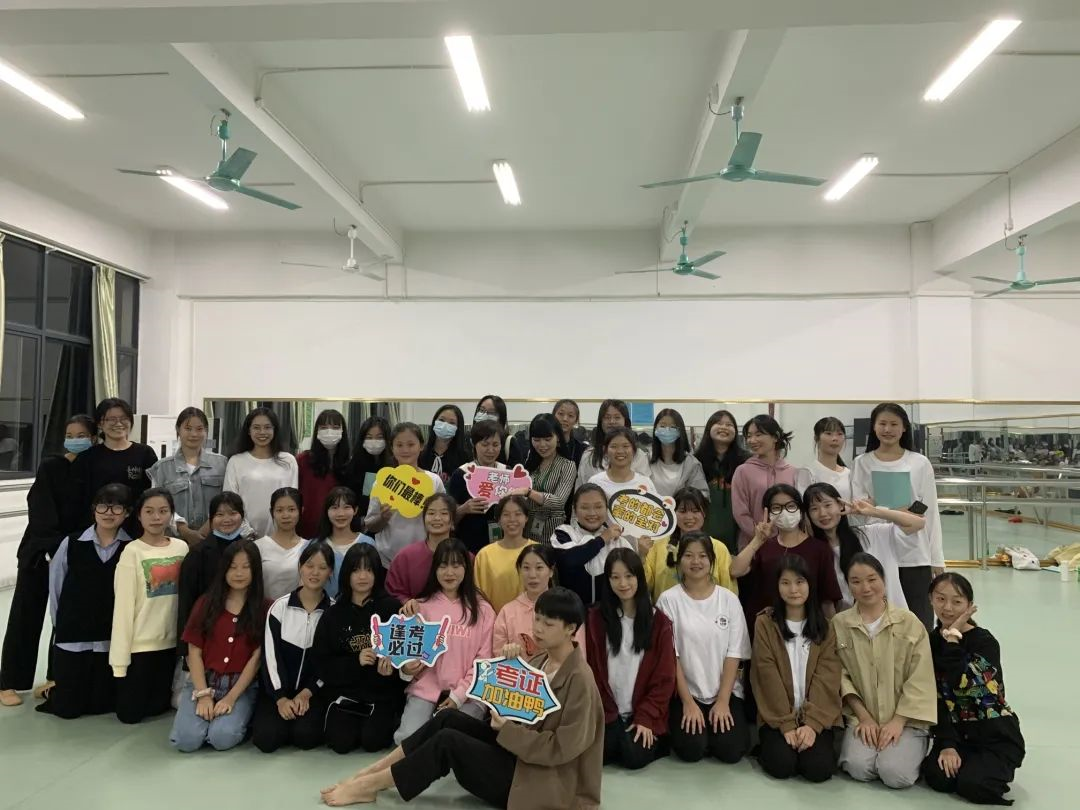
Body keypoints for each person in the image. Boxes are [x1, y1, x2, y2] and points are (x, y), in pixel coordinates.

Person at [320, 587, 603, 809]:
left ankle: (370, 786)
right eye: (537, 619)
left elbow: (561, 749)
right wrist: (510, 670)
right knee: (447, 718)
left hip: (542, 781)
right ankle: (373, 772)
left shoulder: (580, 679)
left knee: (448, 742)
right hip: (520, 757)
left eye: (548, 623)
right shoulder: (542, 659)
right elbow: (521, 712)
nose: (538, 628)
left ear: (571, 628)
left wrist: (507, 728)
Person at [1, 414, 96, 708]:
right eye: (70, 434)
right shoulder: (51, 467)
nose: (75, 439)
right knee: (26, 614)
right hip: (40, 552)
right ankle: (9, 682)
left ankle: (56, 677)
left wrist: (74, 548)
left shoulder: (95, 470)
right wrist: (54, 546)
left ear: (94, 438)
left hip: (76, 553)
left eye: (81, 435)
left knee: (65, 618)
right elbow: (40, 508)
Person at [834, 552, 936, 789]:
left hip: (906, 718)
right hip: (862, 715)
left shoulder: (909, 622)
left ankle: (916, 744)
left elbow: (920, 677)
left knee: (895, 774)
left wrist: (898, 721)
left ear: (883, 580)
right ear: (848, 585)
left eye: (872, 579)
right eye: (856, 581)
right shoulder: (839, 624)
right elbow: (840, 676)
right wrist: (864, 717)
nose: (865, 588)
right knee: (858, 768)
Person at [922, 573, 1025, 805]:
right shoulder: (930, 641)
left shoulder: (985, 642)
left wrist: (953, 637)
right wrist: (947, 744)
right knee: (939, 778)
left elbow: (963, 683)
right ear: (931, 599)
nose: (947, 608)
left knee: (975, 786)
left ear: (969, 605)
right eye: (940, 599)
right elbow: (933, 697)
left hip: (992, 733)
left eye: (957, 601)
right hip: (957, 733)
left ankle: (990, 766)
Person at [36, 484, 133, 718]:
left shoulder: (131, 547)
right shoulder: (71, 543)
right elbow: (56, 585)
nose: (108, 513)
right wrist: (60, 623)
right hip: (73, 633)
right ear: (94, 509)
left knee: (101, 705)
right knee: (67, 710)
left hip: (108, 636)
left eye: (117, 507)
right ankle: (53, 691)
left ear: (127, 513)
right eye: (103, 506)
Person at [657, 532, 752, 764]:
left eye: (702, 556)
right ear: (679, 560)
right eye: (688, 555)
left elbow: (734, 654)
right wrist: (688, 703)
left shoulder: (728, 600)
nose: (696, 561)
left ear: (712, 560)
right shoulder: (668, 600)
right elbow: (671, 657)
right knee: (691, 750)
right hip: (685, 692)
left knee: (731, 751)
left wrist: (723, 701)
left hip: (725, 691)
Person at [850, 403, 944, 628]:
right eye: (882, 423)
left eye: (894, 424)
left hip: (914, 551)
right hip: (876, 550)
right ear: (874, 427)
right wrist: (894, 511)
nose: (887, 429)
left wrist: (936, 558)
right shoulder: (862, 463)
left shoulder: (919, 463)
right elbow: (858, 512)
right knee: (877, 621)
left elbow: (930, 512)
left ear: (904, 428)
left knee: (917, 620)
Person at [749, 555, 842, 782]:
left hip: (815, 715)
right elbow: (766, 674)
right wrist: (787, 723)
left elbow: (827, 678)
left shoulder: (826, 627)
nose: (793, 590)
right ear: (777, 586)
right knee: (781, 765)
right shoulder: (765, 623)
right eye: (785, 582)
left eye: (800, 582)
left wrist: (811, 725)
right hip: (778, 715)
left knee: (818, 770)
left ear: (810, 584)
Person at [393, 539, 494, 744]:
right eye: (443, 565)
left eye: (456, 565)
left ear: (466, 568)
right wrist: (406, 668)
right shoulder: (419, 607)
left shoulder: (484, 611)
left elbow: (484, 663)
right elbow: (405, 657)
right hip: (426, 691)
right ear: (434, 569)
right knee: (407, 740)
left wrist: (458, 696)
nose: (449, 573)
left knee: (452, 740)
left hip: (469, 695)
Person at [171, 541, 268, 752]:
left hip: (240, 687)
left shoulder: (264, 607)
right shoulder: (206, 603)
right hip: (204, 680)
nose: (239, 573)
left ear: (255, 570)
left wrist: (231, 698)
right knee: (186, 741)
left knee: (222, 738)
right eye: (232, 567)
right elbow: (193, 651)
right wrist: (203, 694)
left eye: (246, 567)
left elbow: (256, 659)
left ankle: (240, 719)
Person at [586, 548, 675, 770]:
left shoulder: (659, 622)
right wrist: (605, 713)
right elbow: (590, 671)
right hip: (607, 711)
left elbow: (664, 679)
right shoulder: (596, 619)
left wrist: (646, 717)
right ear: (608, 581)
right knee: (601, 754)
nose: (623, 583)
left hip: (642, 710)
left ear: (639, 577)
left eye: (628, 576)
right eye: (615, 577)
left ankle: (653, 737)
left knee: (634, 757)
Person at [312, 544, 405, 754]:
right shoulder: (333, 614)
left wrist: (393, 669)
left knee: (373, 741)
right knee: (340, 743)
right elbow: (322, 663)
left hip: (382, 695)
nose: (363, 576)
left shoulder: (392, 609)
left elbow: (406, 659)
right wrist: (355, 661)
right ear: (346, 574)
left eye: (369, 570)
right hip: (346, 694)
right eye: (356, 570)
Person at [110, 487, 189, 724]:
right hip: (141, 647)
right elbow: (123, 611)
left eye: (163, 511)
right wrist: (120, 664)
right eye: (149, 511)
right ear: (139, 515)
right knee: (129, 715)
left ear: (171, 514)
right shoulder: (132, 552)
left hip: (171, 646)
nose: (156, 517)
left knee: (159, 708)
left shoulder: (181, 548)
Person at [252, 541, 334, 753]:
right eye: (309, 565)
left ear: (330, 572)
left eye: (322, 567)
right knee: (266, 739)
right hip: (276, 691)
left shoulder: (333, 612)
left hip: (313, 692)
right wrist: (280, 698)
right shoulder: (279, 607)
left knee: (305, 737)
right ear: (300, 567)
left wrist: (308, 692)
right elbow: (270, 657)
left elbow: (330, 662)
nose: (314, 572)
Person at [730, 484, 842, 623]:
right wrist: (757, 540)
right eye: (777, 508)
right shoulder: (764, 547)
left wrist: (832, 631)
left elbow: (827, 601)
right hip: (769, 626)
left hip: (809, 627)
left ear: (800, 510)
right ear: (768, 514)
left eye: (790, 506)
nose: (784, 512)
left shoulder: (820, 549)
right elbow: (735, 571)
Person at [804, 483, 922, 611]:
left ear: (841, 505)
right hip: (849, 622)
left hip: (892, 617)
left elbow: (917, 523)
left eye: (827, 505)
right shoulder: (814, 552)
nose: (822, 513)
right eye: (814, 509)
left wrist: (873, 511)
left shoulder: (871, 534)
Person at [176, 491, 254, 661]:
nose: (227, 519)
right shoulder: (198, 554)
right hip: (207, 632)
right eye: (220, 514)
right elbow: (186, 601)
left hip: (243, 631)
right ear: (211, 519)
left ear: (242, 516)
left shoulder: (250, 550)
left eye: (233, 513)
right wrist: (185, 650)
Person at [66, 397, 158, 538]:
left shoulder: (145, 454)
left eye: (124, 418)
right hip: (96, 532)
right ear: (100, 423)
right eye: (111, 419)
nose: (118, 423)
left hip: (135, 532)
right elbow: (77, 500)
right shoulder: (87, 458)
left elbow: (153, 495)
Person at [363, 422, 445, 566]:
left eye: (411, 444)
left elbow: (445, 518)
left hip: (427, 558)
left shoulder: (434, 481)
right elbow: (370, 525)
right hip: (388, 561)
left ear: (421, 446)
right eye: (399, 445)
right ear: (392, 448)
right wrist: (383, 518)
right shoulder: (382, 482)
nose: (405, 450)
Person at [148, 406, 228, 545]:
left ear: (206, 431)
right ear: (178, 430)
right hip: (174, 541)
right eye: (188, 428)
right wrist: (184, 530)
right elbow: (157, 505)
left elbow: (227, 500)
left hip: (215, 538)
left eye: (199, 429)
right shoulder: (161, 467)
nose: (194, 434)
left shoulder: (222, 463)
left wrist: (206, 528)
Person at [643, 487, 736, 603]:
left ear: (704, 513)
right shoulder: (658, 546)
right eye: (682, 511)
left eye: (695, 511)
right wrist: (641, 555)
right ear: (673, 513)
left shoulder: (719, 548)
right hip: (667, 612)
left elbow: (729, 592)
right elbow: (644, 586)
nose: (689, 517)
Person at [493, 544, 584, 657]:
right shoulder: (507, 612)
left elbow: (579, 655)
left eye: (539, 568)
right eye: (526, 568)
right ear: (519, 570)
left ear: (551, 571)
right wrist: (507, 654)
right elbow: (497, 657)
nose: (532, 575)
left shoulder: (567, 607)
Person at [550, 483, 631, 607]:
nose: (592, 513)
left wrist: (642, 554)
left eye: (598, 507)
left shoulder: (619, 540)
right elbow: (568, 560)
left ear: (607, 509)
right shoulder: (563, 532)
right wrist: (602, 539)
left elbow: (631, 576)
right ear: (574, 510)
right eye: (585, 507)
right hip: (570, 611)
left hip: (610, 612)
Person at [223, 406, 299, 537]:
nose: (262, 432)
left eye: (267, 427)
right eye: (256, 427)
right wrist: (248, 534)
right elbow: (230, 503)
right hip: (244, 537)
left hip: (281, 535)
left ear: (274, 430)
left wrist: (281, 533)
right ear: (249, 430)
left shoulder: (288, 460)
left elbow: (293, 501)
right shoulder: (236, 461)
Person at [589, 427, 661, 556]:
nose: (620, 451)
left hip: (638, 553)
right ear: (605, 450)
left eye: (626, 446)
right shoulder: (595, 482)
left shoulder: (645, 483)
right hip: (602, 551)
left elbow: (655, 519)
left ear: (634, 450)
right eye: (614, 446)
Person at [731, 414, 796, 550]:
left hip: (788, 544)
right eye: (749, 436)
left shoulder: (792, 471)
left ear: (775, 437)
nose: (752, 440)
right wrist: (760, 535)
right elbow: (740, 512)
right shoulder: (743, 471)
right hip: (753, 545)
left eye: (758, 434)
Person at [386, 494, 459, 602]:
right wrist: (407, 603)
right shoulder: (405, 556)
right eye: (431, 513)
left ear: (452, 522)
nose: (437, 518)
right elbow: (393, 592)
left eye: (444, 513)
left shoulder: (465, 557)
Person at [446, 420, 504, 554]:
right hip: (469, 546)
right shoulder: (462, 474)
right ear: (474, 444)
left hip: (502, 545)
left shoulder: (507, 473)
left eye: (495, 444)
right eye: (485, 444)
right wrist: (463, 509)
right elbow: (449, 519)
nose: (491, 450)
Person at [695, 409, 749, 553]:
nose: (724, 427)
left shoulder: (746, 461)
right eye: (719, 423)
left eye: (729, 425)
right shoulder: (696, 461)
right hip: (704, 530)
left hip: (737, 532)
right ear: (709, 428)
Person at [518, 413, 576, 543]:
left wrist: (529, 492)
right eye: (536, 440)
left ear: (558, 437)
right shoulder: (530, 462)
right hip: (525, 530)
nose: (542, 445)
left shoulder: (567, 465)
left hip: (552, 534)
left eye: (548, 439)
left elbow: (559, 502)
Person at [474, 495, 538, 613]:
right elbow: (478, 597)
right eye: (506, 514)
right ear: (498, 520)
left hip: (532, 620)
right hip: (494, 620)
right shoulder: (484, 555)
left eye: (518, 514)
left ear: (526, 518)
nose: (512, 519)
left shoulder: (538, 551)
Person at [313, 486, 375, 597]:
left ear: (355, 510)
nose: (341, 513)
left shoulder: (368, 543)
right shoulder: (315, 545)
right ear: (327, 511)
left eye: (346, 507)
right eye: (334, 508)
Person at [297, 409, 350, 539]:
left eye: (335, 427)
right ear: (317, 431)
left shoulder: (349, 464)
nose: (329, 432)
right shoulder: (303, 460)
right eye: (324, 427)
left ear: (343, 432)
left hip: (339, 531)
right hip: (307, 530)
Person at [577, 399, 651, 486]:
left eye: (617, 417)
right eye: (607, 417)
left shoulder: (639, 455)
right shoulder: (589, 455)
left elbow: (644, 487)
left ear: (625, 421)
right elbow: (581, 488)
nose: (612, 422)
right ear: (601, 422)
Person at [342, 415, 392, 530]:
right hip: (359, 525)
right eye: (369, 437)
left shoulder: (394, 466)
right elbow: (348, 498)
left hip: (388, 524)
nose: (374, 441)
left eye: (379, 437)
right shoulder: (353, 466)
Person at [255, 487, 306, 600]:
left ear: (301, 511)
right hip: (264, 608)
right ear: (272, 512)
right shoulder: (258, 547)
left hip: (297, 608)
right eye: (279, 510)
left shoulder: (308, 547)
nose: (285, 515)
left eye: (291, 509)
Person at [648, 409, 708, 498]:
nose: (667, 430)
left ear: (680, 431)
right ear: (655, 429)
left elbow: (702, 495)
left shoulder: (691, 463)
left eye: (673, 427)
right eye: (662, 426)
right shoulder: (646, 459)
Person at [795, 416, 851, 502]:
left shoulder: (849, 473)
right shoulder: (808, 472)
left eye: (839, 434)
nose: (835, 438)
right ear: (816, 438)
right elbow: (805, 504)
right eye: (828, 433)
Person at [419, 404, 471, 484]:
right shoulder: (420, 453)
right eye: (441, 420)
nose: (445, 425)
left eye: (452, 423)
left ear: (458, 428)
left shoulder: (464, 457)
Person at [473, 393, 523, 466]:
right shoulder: (468, 439)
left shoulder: (509, 442)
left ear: (501, 417)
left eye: (491, 412)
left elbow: (516, 471)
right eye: (482, 410)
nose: (485, 414)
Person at [552, 398, 588, 467]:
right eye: (561, 414)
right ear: (553, 416)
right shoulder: (544, 445)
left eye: (570, 415)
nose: (565, 419)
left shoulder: (582, 450)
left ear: (576, 420)